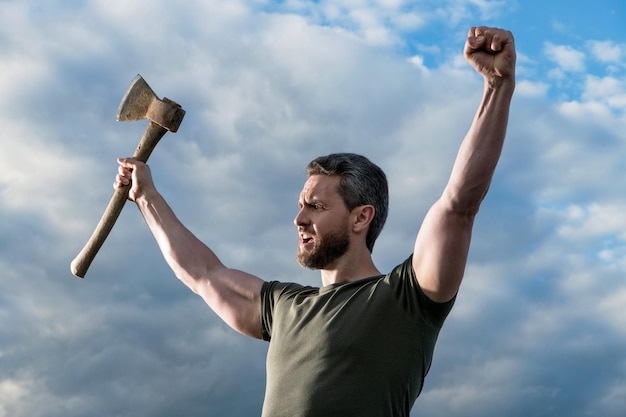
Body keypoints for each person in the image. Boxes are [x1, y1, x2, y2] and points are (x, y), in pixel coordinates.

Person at [114, 26, 516, 417]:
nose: (298, 219)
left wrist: (496, 88)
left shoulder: (405, 299)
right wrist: (147, 196)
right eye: (301, 206)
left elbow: (459, 203)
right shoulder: (283, 306)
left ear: (361, 218)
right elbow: (202, 272)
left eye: (316, 207)